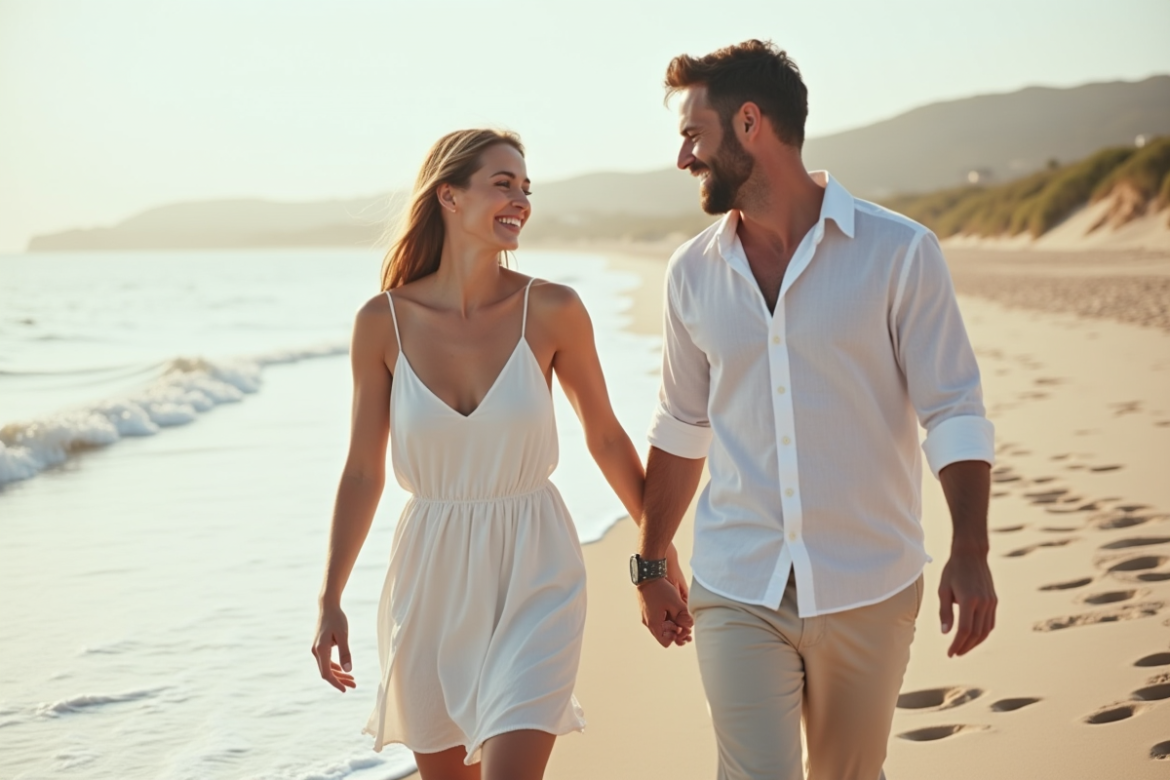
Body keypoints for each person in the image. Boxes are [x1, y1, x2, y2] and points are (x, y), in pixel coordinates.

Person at [631, 41, 998, 779]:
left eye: (691, 135)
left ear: (749, 124)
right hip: (736, 583)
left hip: (869, 579)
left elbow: (953, 409)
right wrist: (649, 563)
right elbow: (681, 424)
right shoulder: (692, 274)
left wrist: (971, 548)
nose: (682, 158)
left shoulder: (899, 252)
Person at [311, 128, 686, 780]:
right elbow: (363, 470)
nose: (520, 200)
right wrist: (330, 597)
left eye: (526, 189)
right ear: (449, 196)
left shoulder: (552, 309)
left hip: (534, 565)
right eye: (503, 184)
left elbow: (604, 436)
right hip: (429, 576)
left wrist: (657, 559)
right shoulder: (382, 322)